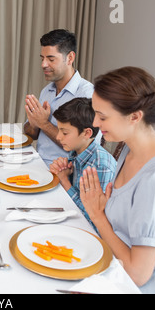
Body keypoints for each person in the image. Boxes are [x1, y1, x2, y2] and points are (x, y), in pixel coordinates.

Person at [79, 67, 155, 293]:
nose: (95, 123)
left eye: (102, 116)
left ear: (135, 117)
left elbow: (138, 274)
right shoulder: (129, 150)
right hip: (117, 269)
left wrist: (98, 217)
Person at [23, 29, 95, 166]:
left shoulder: (87, 94)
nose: (43, 64)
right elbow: (31, 135)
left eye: (50, 59)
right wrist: (34, 124)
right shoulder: (47, 91)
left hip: (65, 173)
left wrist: (44, 123)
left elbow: (85, 149)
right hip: (38, 163)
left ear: (70, 58)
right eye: (42, 58)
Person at [49, 98, 116, 231]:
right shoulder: (77, 151)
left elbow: (93, 219)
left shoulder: (101, 165)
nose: (58, 137)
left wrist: (64, 182)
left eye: (65, 132)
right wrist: (64, 172)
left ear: (87, 133)